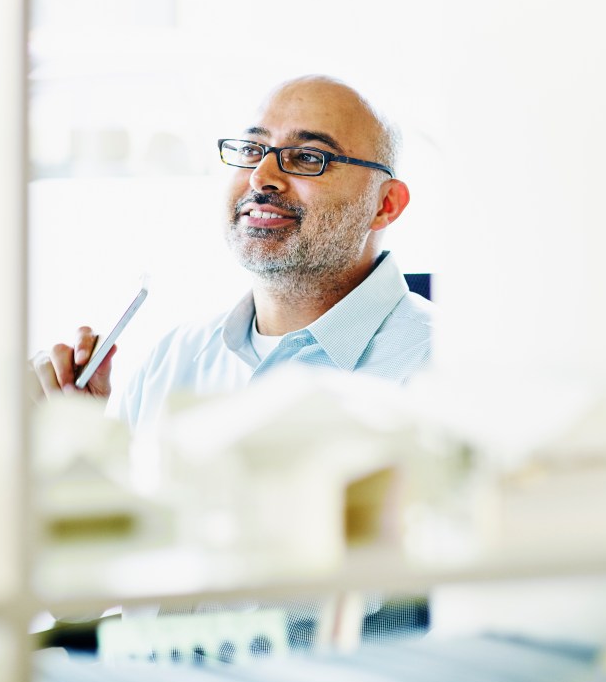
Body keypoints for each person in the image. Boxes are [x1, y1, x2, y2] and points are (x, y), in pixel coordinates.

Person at [32, 74, 434, 428]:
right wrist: (88, 439)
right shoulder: (173, 360)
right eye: (251, 150)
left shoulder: (445, 371)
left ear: (386, 205)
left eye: (309, 158)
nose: (262, 176)